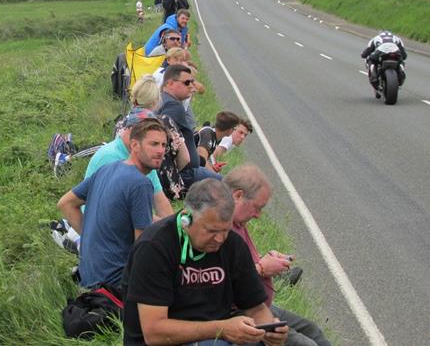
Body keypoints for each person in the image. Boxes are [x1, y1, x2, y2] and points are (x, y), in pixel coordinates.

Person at [122, 179, 288, 346]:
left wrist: (269, 331)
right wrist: (220, 329)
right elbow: (154, 332)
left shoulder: (233, 245)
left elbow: (256, 308)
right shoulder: (155, 247)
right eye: (212, 230)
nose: (220, 238)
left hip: (215, 337)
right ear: (187, 218)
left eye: (225, 230)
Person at [225, 166, 331, 346]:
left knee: (313, 331)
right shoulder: (219, 228)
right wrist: (261, 268)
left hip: (260, 304)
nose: (258, 215)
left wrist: (267, 261)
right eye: (257, 208)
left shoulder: (238, 221)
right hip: (241, 311)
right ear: (238, 196)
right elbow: (220, 283)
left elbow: (243, 264)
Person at [57, 119, 169, 289]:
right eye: (153, 144)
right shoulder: (140, 183)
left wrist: (89, 241)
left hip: (89, 276)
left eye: (163, 145)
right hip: (115, 284)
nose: (160, 150)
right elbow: (143, 249)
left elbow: (66, 203)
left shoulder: (107, 169)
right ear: (134, 145)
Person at [84, 108, 175, 221]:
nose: (160, 150)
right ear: (131, 131)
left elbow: (160, 200)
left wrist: (175, 228)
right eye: (152, 140)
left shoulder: (144, 157)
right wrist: (164, 228)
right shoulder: (110, 157)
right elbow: (124, 212)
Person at [157, 64, 220, 189]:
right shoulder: (173, 106)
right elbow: (162, 133)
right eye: (187, 82)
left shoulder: (163, 100)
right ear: (170, 84)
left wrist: (201, 161)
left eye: (192, 82)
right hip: (185, 174)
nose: (192, 86)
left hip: (188, 169)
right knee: (226, 187)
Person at [360, 30, 407, 97]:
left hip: (380, 51)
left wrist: (363, 54)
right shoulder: (397, 39)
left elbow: (366, 53)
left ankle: (374, 76)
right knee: (401, 60)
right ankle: (401, 73)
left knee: (370, 59)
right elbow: (404, 55)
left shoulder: (375, 38)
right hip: (395, 51)